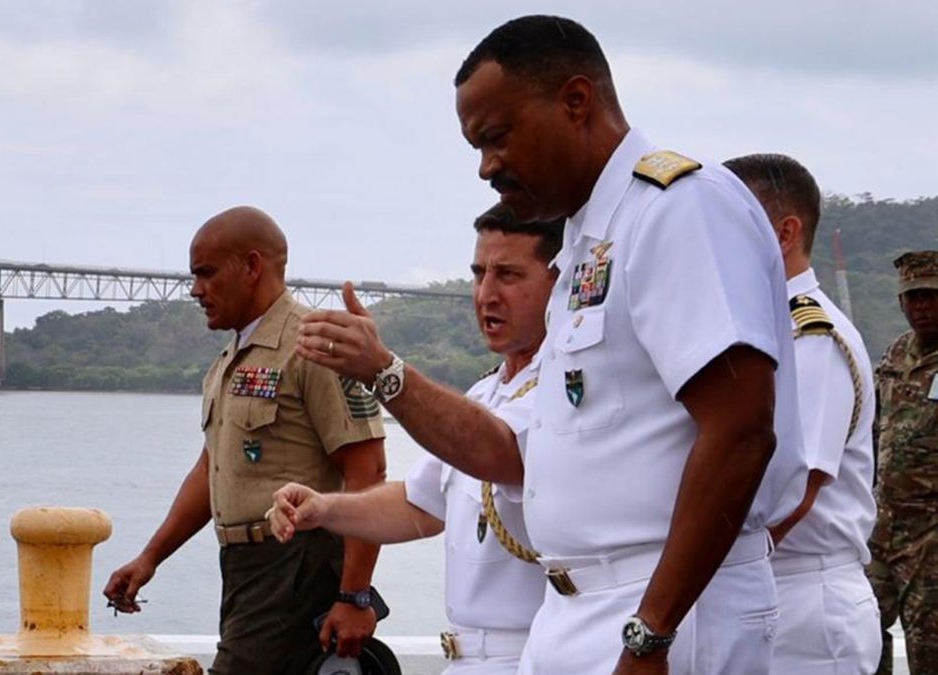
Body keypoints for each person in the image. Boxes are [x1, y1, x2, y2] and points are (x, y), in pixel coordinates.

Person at [296, 15, 806, 675]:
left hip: (663, 609)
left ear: (575, 101)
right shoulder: (587, 245)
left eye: (496, 137)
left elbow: (740, 429)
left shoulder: (678, 209)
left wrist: (651, 634)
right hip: (575, 610)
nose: (487, 166)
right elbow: (526, 452)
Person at [271, 203, 563, 674]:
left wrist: (382, 370)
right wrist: (323, 509)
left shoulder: (570, 388)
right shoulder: (487, 392)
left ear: (559, 282)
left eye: (508, 275)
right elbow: (419, 506)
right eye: (478, 273)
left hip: (538, 655)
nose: (486, 294)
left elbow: (497, 452)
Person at [103, 206, 387, 674]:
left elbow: (368, 469)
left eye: (207, 273)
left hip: (297, 564)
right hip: (244, 568)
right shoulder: (227, 362)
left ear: (252, 267)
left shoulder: (315, 345)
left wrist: (354, 594)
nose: (196, 289)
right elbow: (213, 468)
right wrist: (150, 557)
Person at [725, 153, 881, 673]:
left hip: (807, 599)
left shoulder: (809, 337)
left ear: (785, 233)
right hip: (769, 585)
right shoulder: (764, 330)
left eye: (732, 226)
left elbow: (797, 492)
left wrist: (705, 574)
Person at [866, 250, 938, 674]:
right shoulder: (894, 355)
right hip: (882, 525)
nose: (921, 307)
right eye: (913, 298)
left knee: (928, 649)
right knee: (860, 630)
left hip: (930, 533)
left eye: (930, 296)